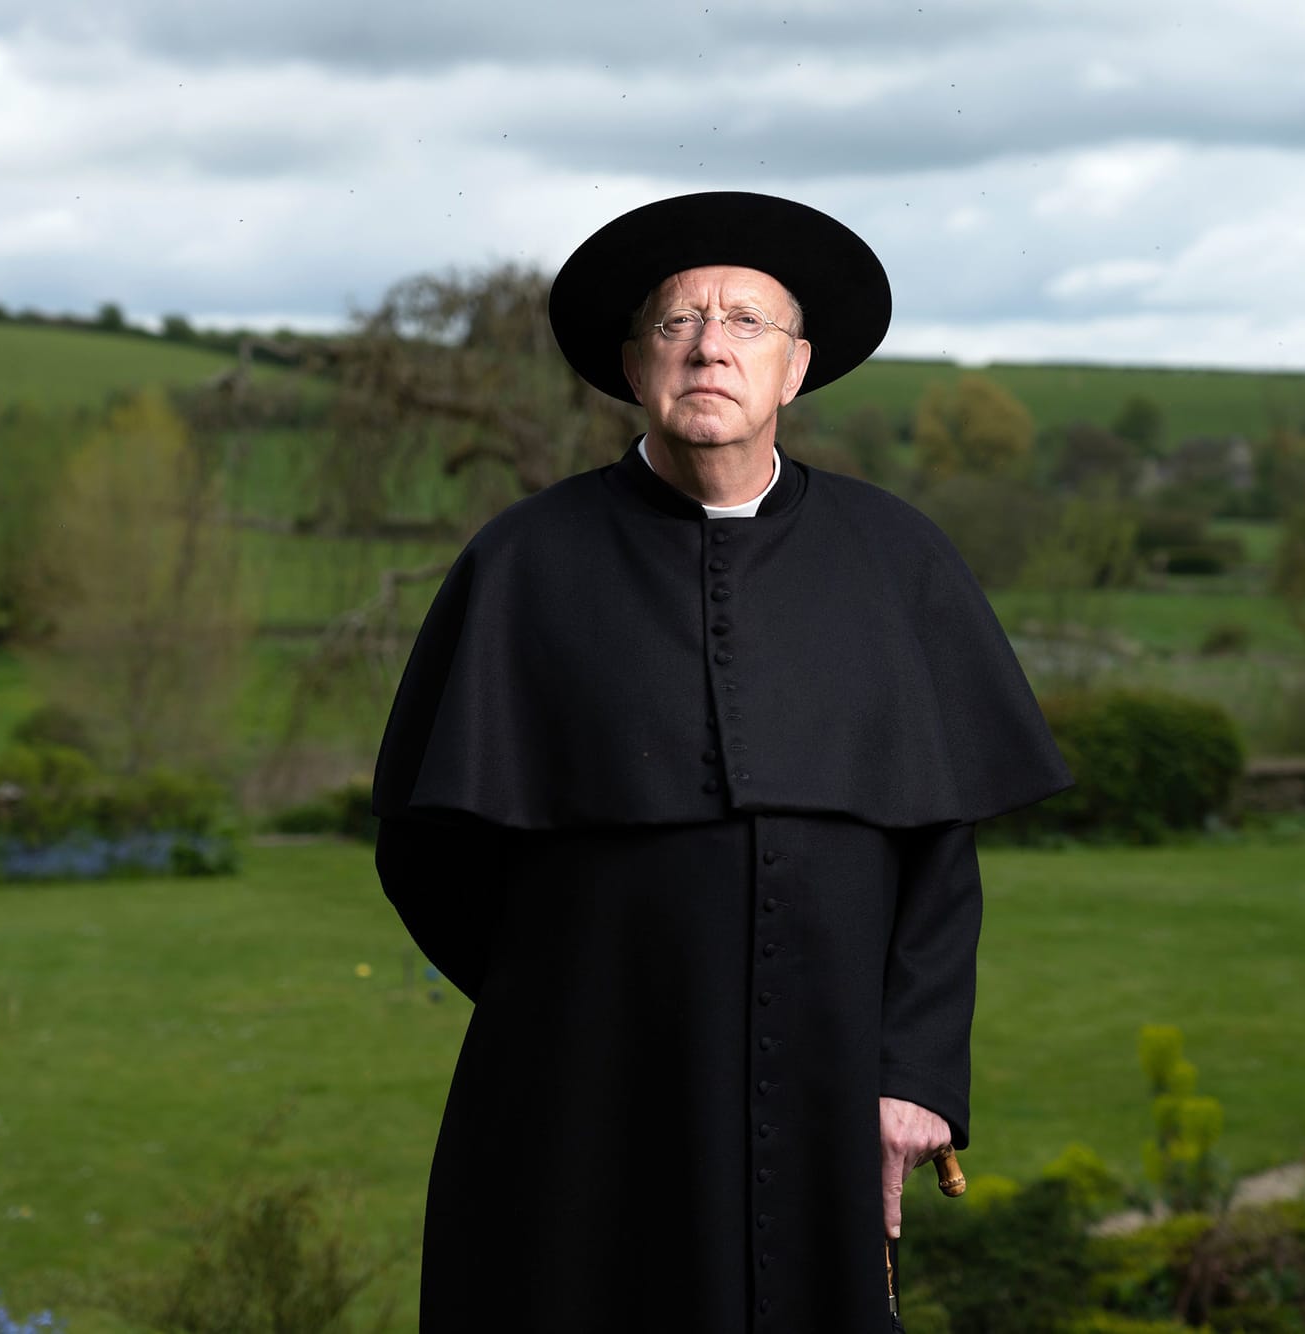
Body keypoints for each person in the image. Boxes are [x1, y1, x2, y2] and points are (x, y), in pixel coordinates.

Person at [371, 191, 1074, 1333]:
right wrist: (560, 994)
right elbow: (425, 845)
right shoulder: (521, 563)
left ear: (794, 369)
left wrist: (915, 1067)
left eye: (745, 322)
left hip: (826, 1078)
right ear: (632, 363)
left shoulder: (893, 559)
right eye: (676, 322)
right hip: (577, 1084)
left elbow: (939, 846)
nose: (708, 345)